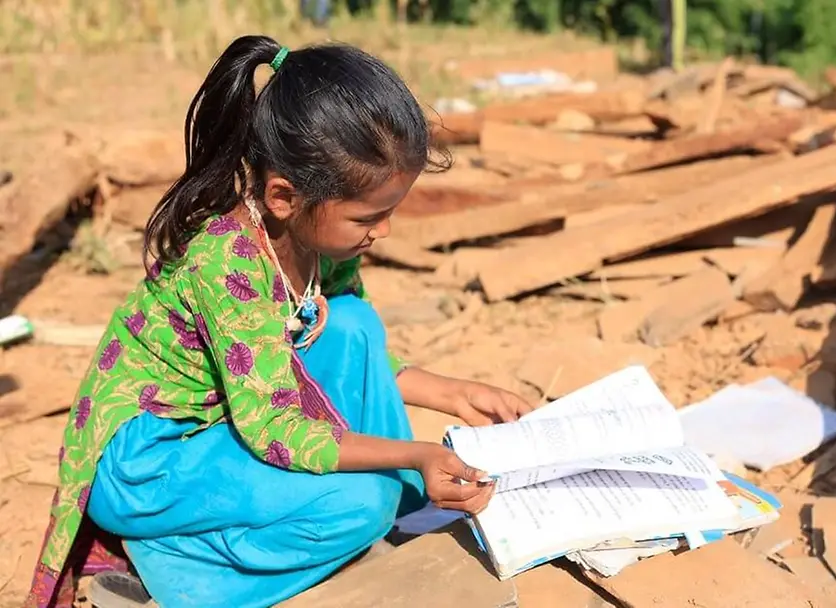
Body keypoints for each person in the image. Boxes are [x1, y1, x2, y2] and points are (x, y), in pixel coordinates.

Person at [25, 35, 533, 608]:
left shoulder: (317, 244)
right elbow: (274, 429)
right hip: (150, 463)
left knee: (353, 323)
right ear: (284, 197)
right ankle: (173, 574)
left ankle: (398, 514)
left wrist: (453, 392)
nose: (384, 231)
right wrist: (414, 453)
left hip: (222, 424)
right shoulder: (226, 264)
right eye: (371, 216)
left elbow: (342, 353)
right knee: (358, 505)